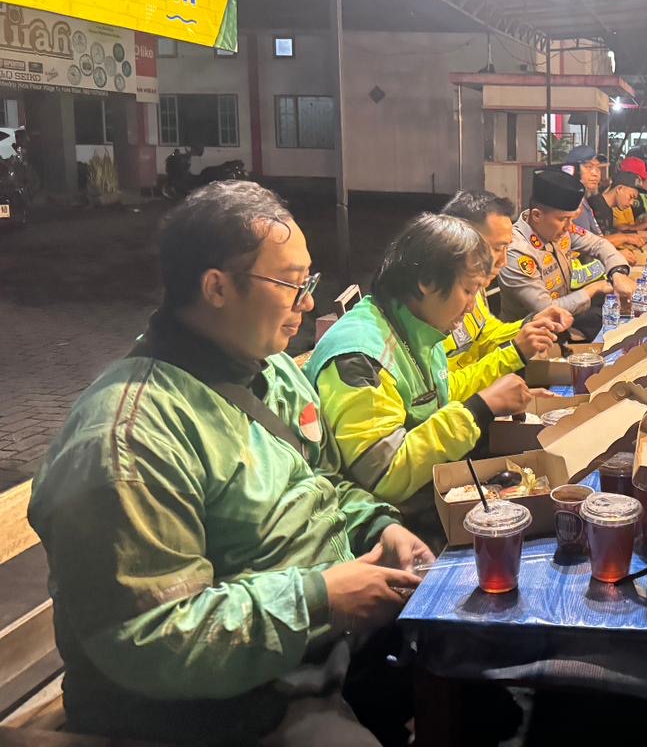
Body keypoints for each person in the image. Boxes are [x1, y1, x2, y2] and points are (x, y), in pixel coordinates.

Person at [29, 182, 430, 746]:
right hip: (210, 709)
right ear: (216, 287)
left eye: (308, 283)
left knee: (479, 658)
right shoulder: (129, 439)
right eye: (291, 284)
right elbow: (149, 638)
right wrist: (319, 598)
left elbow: (322, 480)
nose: (307, 303)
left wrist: (380, 528)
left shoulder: (270, 370)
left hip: (322, 644)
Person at [305, 214, 533, 511]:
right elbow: (384, 472)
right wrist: (479, 408)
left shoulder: (417, 324)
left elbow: (437, 394)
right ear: (426, 281)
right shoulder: (360, 357)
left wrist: (500, 393)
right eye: (468, 290)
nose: (471, 306)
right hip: (379, 520)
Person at [438, 189, 573, 392]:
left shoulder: (473, 285)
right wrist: (513, 353)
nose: (503, 261)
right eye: (496, 248)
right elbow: (442, 391)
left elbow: (484, 333)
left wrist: (529, 324)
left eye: (506, 248)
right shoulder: (431, 301)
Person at [499, 168, 636, 332]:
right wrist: (594, 288)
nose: (569, 227)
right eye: (563, 219)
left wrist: (618, 273)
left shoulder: (559, 229)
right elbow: (547, 309)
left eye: (572, 219)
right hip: (533, 336)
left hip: (566, 322)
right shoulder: (517, 252)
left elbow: (599, 244)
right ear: (536, 215)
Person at [589, 169, 647, 234]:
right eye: (631, 196)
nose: (632, 203)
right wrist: (628, 237)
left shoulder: (608, 209)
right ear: (619, 189)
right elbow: (599, 239)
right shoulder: (595, 205)